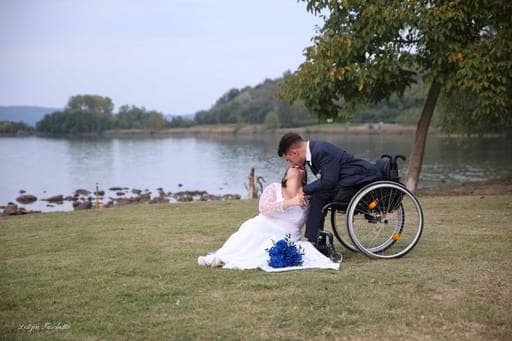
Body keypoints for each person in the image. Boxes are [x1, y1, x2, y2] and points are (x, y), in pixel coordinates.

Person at [197, 165, 340, 271]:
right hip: (264, 224)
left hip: (287, 235)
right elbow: (264, 208)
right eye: (293, 166)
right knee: (251, 228)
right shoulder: (274, 188)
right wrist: (291, 202)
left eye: (301, 167)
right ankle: (224, 256)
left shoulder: (308, 195)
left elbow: (320, 210)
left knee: (268, 248)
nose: (298, 166)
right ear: (285, 177)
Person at [278, 132, 382, 256]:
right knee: (317, 195)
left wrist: (304, 190)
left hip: (360, 178)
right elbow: (326, 180)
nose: (292, 164)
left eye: (289, 160)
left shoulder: (321, 151)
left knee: (318, 195)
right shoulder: (313, 153)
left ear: (294, 152)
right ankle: (315, 239)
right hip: (346, 180)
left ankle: (314, 240)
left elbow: (328, 181)